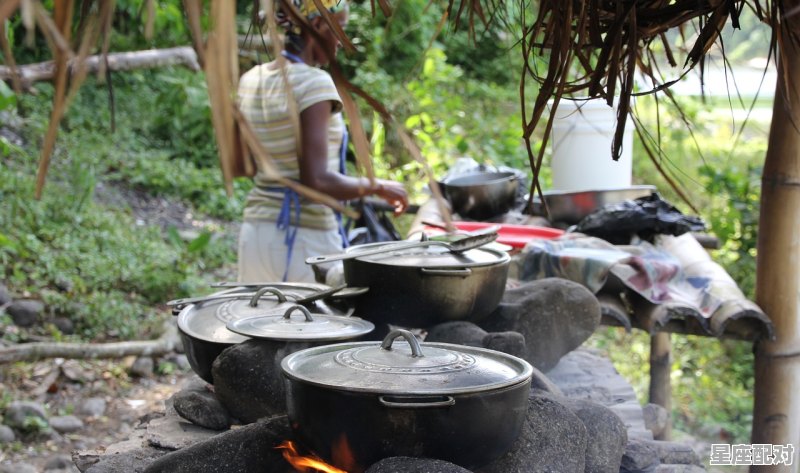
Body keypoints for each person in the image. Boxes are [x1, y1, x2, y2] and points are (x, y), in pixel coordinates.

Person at [236, 0, 408, 283]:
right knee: (310, 326)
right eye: (340, 28)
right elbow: (315, 181)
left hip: (255, 234)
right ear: (317, 26)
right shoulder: (314, 83)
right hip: (305, 241)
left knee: (259, 326)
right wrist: (378, 186)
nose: (343, 41)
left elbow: (246, 163)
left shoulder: (251, 79)